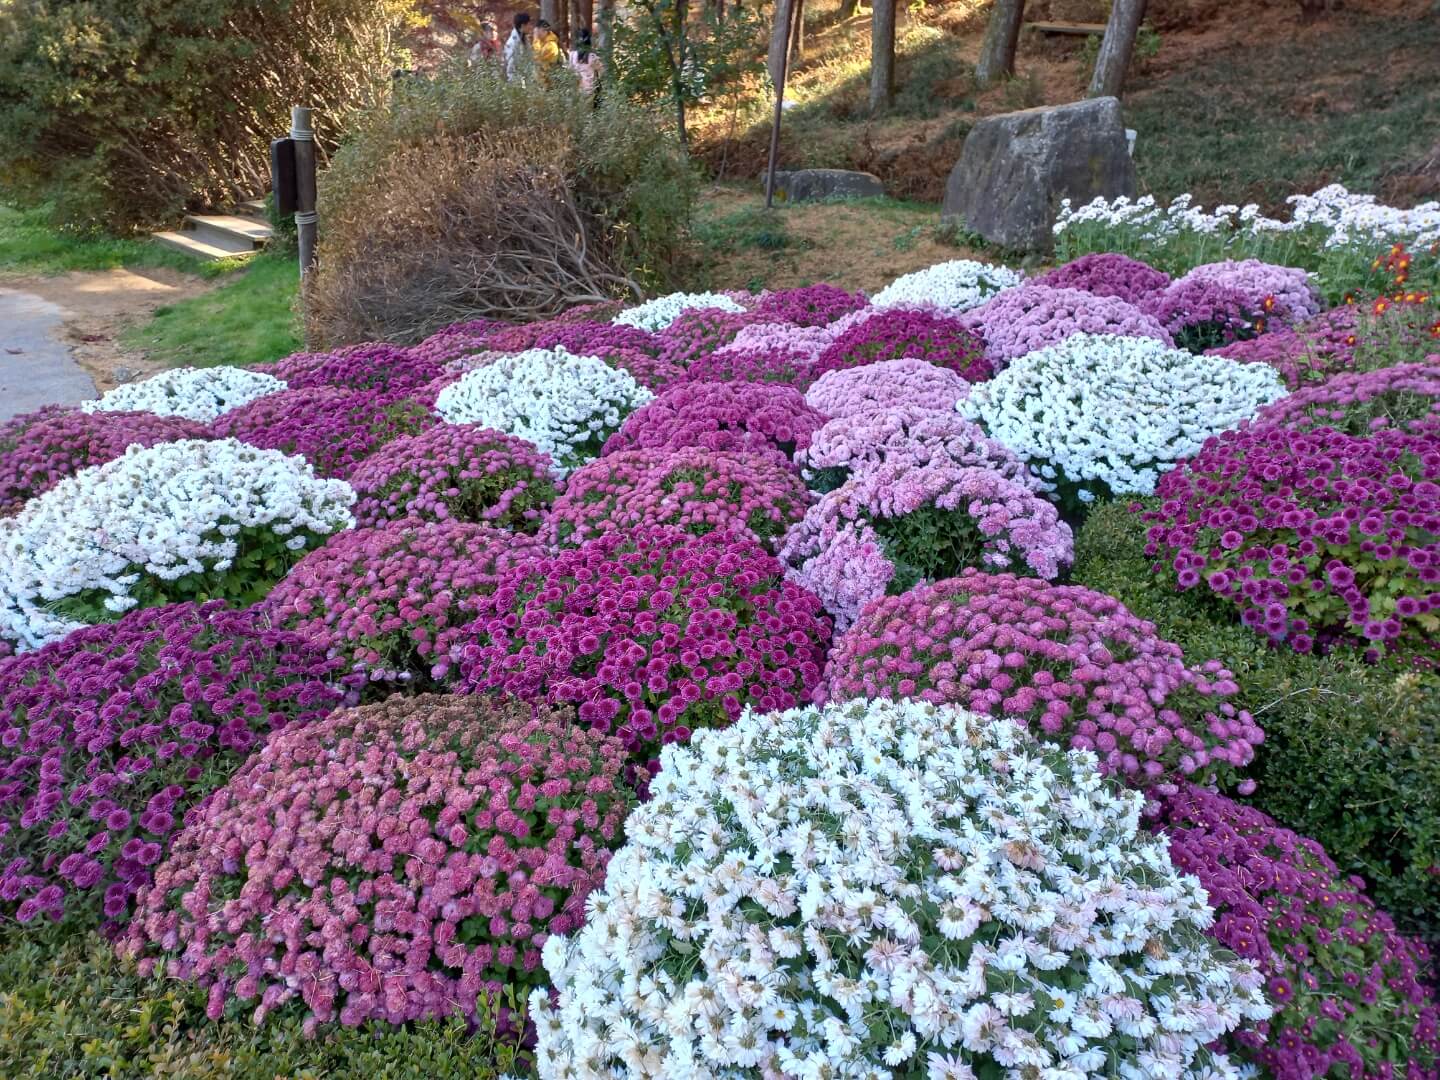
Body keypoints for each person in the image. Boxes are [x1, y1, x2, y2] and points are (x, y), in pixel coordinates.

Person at [567, 27, 602, 99]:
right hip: (589, 92)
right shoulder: (593, 57)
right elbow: (601, 72)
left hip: (575, 92)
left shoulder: (572, 55)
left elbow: (569, 72)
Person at [503, 12, 531, 81]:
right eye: (529, 24)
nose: (530, 27)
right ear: (523, 25)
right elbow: (511, 67)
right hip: (516, 83)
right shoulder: (512, 43)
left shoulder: (525, 39)